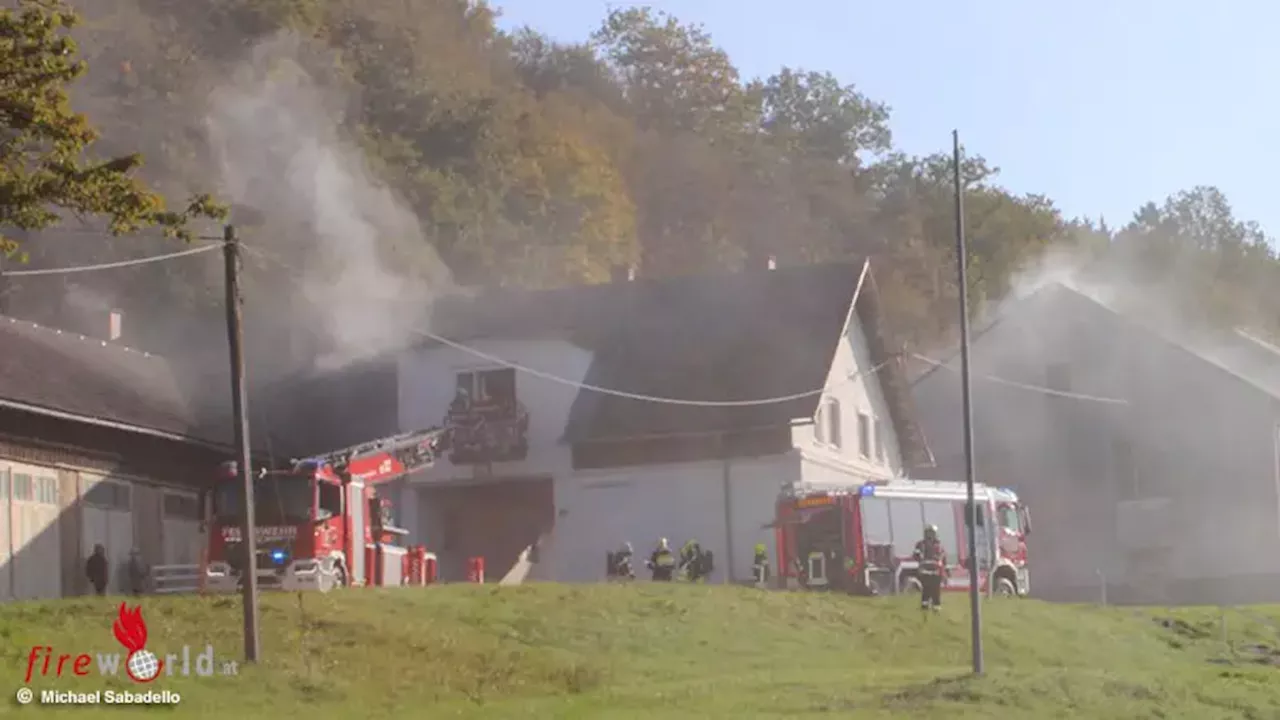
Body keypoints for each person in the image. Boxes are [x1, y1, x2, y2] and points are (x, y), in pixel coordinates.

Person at [913, 525, 946, 611]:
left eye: (932, 533)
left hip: (936, 572)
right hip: (925, 571)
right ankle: (925, 607)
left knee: (936, 591)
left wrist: (944, 572)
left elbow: (943, 559)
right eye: (929, 533)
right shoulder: (920, 544)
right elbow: (916, 555)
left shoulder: (939, 545)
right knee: (926, 590)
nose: (930, 535)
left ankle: (936, 608)